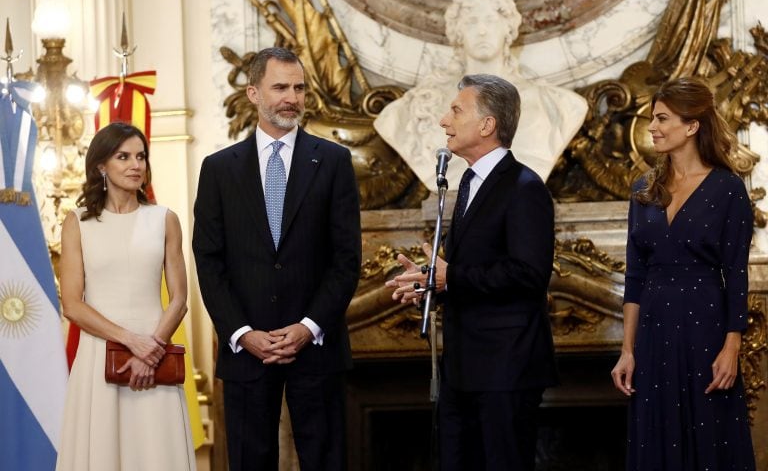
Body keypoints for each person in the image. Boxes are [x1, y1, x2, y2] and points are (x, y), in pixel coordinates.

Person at [192, 47, 362, 471]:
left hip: (316, 348)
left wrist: (308, 327)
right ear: (253, 92)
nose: (292, 97)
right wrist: (241, 332)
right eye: (280, 87)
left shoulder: (335, 161)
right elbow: (208, 260)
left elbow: (346, 258)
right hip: (247, 350)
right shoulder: (218, 169)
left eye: (299, 88)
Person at [386, 74, 558, 470]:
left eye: (456, 111)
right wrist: (430, 286)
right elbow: (470, 270)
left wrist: (452, 278)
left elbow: (529, 273)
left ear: (487, 125)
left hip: (505, 369)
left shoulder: (524, 187)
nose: (444, 121)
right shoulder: (467, 183)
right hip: (462, 368)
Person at [611, 77, 756, 470]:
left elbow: (736, 276)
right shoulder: (644, 189)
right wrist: (627, 350)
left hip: (706, 329)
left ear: (692, 126)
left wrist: (732, 346)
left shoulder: (728, 189)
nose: (652, 127)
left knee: (710, 438)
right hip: (654, 333)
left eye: (662, 118)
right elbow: (635, 278)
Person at [374, 0, 587, 191]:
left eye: (491, 19)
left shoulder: (559, 106)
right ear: (457, 30)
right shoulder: (413, 110)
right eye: (472, 21)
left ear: (508, 28)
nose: (482, 30)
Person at [56, 122, 195, 470]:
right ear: (101, 166)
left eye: (141, 156)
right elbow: (72, 304)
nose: (136, 165)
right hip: (99, 357)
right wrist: (132, 341)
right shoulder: (77, 223)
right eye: (124, 156)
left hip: (155, 354)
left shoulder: (165, 219)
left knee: (156, 453)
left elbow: (179, 298)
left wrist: (152, 350)